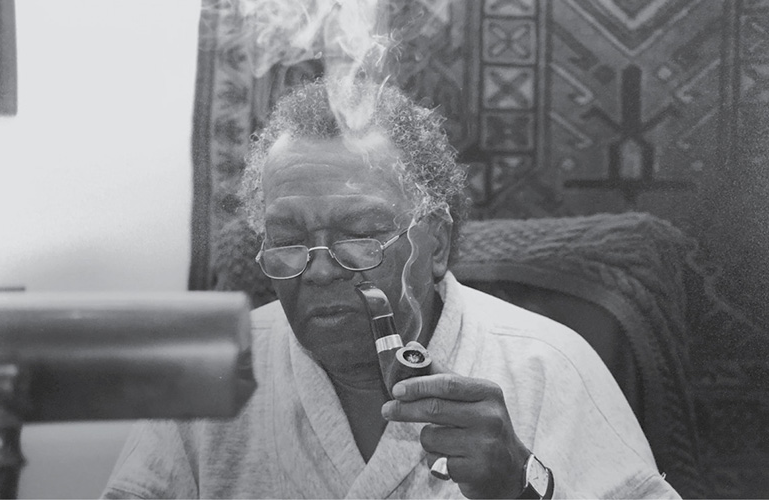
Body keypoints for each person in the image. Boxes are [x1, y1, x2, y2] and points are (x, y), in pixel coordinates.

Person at [102, 80, 680, 499]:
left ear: (438, 245)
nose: (320, 271)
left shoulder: (546, 365)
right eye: (287, 239)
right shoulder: (213, 376)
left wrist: (519, 487)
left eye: (359, 235)